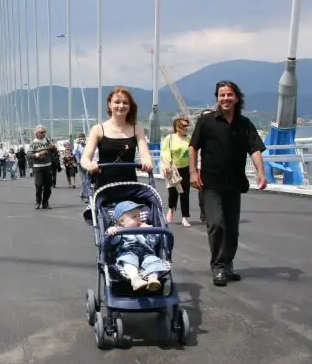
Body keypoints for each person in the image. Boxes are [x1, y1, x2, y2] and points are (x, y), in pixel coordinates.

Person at [188, 81, 267, 287]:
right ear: (217, 99)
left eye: (229, 95)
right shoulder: (206, 121)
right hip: (210, 182)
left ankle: (227, 264)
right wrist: (193, 172)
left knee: (232, 229)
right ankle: (218, 266)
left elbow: (255, 149)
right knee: (216, 224)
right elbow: (193, 147)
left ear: (236, 98)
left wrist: (261, 172)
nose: (225, 98)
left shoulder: (244, 124)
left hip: (234, 183)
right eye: (221, 95)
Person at [80, 87, 154, 193]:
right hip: (104, 188)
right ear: (109, 105)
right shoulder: (98, 129)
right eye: (117, 102)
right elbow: (85, 157)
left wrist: (147, 162)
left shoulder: (136, 129)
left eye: (125, 103)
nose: (121, 106)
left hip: (130, 186)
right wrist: (89, 164)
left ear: (130, 107)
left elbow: (145, 154)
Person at [106, 201, 171, 292]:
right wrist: (111, 231)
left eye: (139, 216)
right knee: (129, 260)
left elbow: (154, 242)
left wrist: (150, 231)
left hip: (146, 253)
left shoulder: (144, 229)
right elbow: (112, 242)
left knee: (154, 261)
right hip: (128, 252)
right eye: (134, 217)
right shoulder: (119, 231)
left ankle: (153, 279)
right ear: (121, 222)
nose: (139, 219)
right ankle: (135, 279)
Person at [161, 116, 192, 227]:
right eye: (184, 125)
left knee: (185, 193)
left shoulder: (189, 139)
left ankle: (185, 217)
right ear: (177, 127)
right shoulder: (170, 138)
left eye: (187, 125)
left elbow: (192, 153)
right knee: (173, 192)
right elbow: (165, 152)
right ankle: (171, 209)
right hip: (173, 168)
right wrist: (168, 165)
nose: (186, 128)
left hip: (185, 168)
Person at [29, 125, 53, 209]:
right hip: (38, 167)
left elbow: (54, 151)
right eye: (42, 132)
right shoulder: (33, 143)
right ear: (37, 133)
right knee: (39, 185)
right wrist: (38, 154)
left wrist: (53, 148)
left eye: (44, 132)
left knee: (48, 186)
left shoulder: (48, 141)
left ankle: (45, 202)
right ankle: (38, 201)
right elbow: (28, 155)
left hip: (48, 166)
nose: (44, 134)